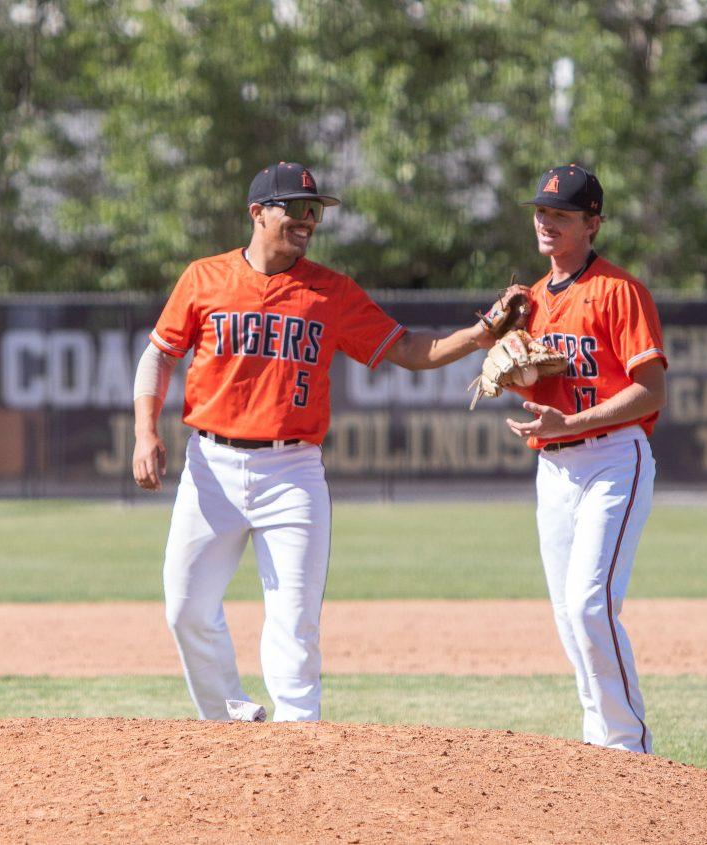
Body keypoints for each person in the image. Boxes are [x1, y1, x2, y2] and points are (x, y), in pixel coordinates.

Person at [132, 161, 520, 722]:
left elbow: (410, 351)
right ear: (257, 213)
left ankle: (300, 744)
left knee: (294, 621)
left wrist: (482, 334)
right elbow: (159, 355)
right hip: (210, 466)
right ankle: (228, 718)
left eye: (314, 210)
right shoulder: (204, 278)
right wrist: (146, 431)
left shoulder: (330, 292)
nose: (308, 219)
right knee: (185, 608)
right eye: (294, 208)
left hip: (292, 473)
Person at [503, 164, 667, 753]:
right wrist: (509, 364)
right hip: (553, 465)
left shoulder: (619, 291)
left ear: (592, 223)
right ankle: (600, 748)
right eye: (542, 211)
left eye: (562, 214)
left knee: (589, 604)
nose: (546, 222)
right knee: (569, 620)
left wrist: (571, 421)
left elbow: (651, 390)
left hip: (612, 459)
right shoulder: (530, 301)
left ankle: (628, 748)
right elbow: (541, 379)